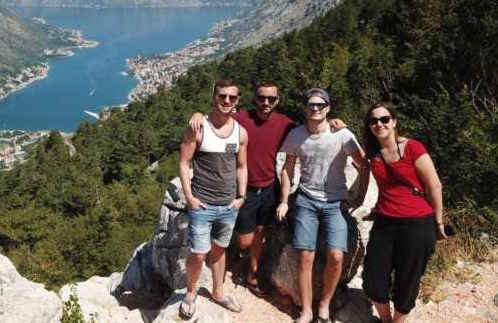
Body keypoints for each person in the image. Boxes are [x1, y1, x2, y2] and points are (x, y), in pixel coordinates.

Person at [187, 81, 346, 297]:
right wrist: (198, 114)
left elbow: (312, 124)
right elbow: (218, 115)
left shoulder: (285, 124)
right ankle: (227, 261)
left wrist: (334, 123)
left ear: (277, 100)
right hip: (245, 189)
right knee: (244, 240)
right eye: (262, 98)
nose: (266, 102)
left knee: (261, 232)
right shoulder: (241, 118)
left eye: (271, 99)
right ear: (255, 98)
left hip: (269, 187)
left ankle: (252, 274)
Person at [276, 87, 369, 323]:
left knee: (336, 256)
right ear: (305, 108)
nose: (315, 109)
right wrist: (284, 200)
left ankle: (324, 306)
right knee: (305, 255)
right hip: (306, 200)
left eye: (320, 105)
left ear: (327, 108)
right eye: (311, 105)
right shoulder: (296, 135)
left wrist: (359, 198)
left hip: (335, 202)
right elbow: (287, 169)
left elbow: (364, 165)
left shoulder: (342, 135)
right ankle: (306, 310)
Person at [361, 102, 447, 323]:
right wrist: (338, 126)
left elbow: (434, 185)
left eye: (384, 119)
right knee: (372, 278)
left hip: (417, 224)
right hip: (385, 223)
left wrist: (438, 223)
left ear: (394, 121)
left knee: (407, 281)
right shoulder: (373, 152)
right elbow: (353, 152)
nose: (379, 124)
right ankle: (385, 320)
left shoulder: (412, 147)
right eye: (373, 120)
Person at [178, 77, 249, 319]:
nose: (226, 101)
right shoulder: (198, 128)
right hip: (202, 203)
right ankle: (191, 292)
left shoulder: (240, 133)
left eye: (232, 97)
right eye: (222, 96)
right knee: (199, 253)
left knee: (219, 249)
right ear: (214, 96)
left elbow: (241, 166)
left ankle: (218, 292)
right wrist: (189, 196)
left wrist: (241, 196)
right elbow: (184, 162)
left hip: (229, 204)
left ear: (237, 100)